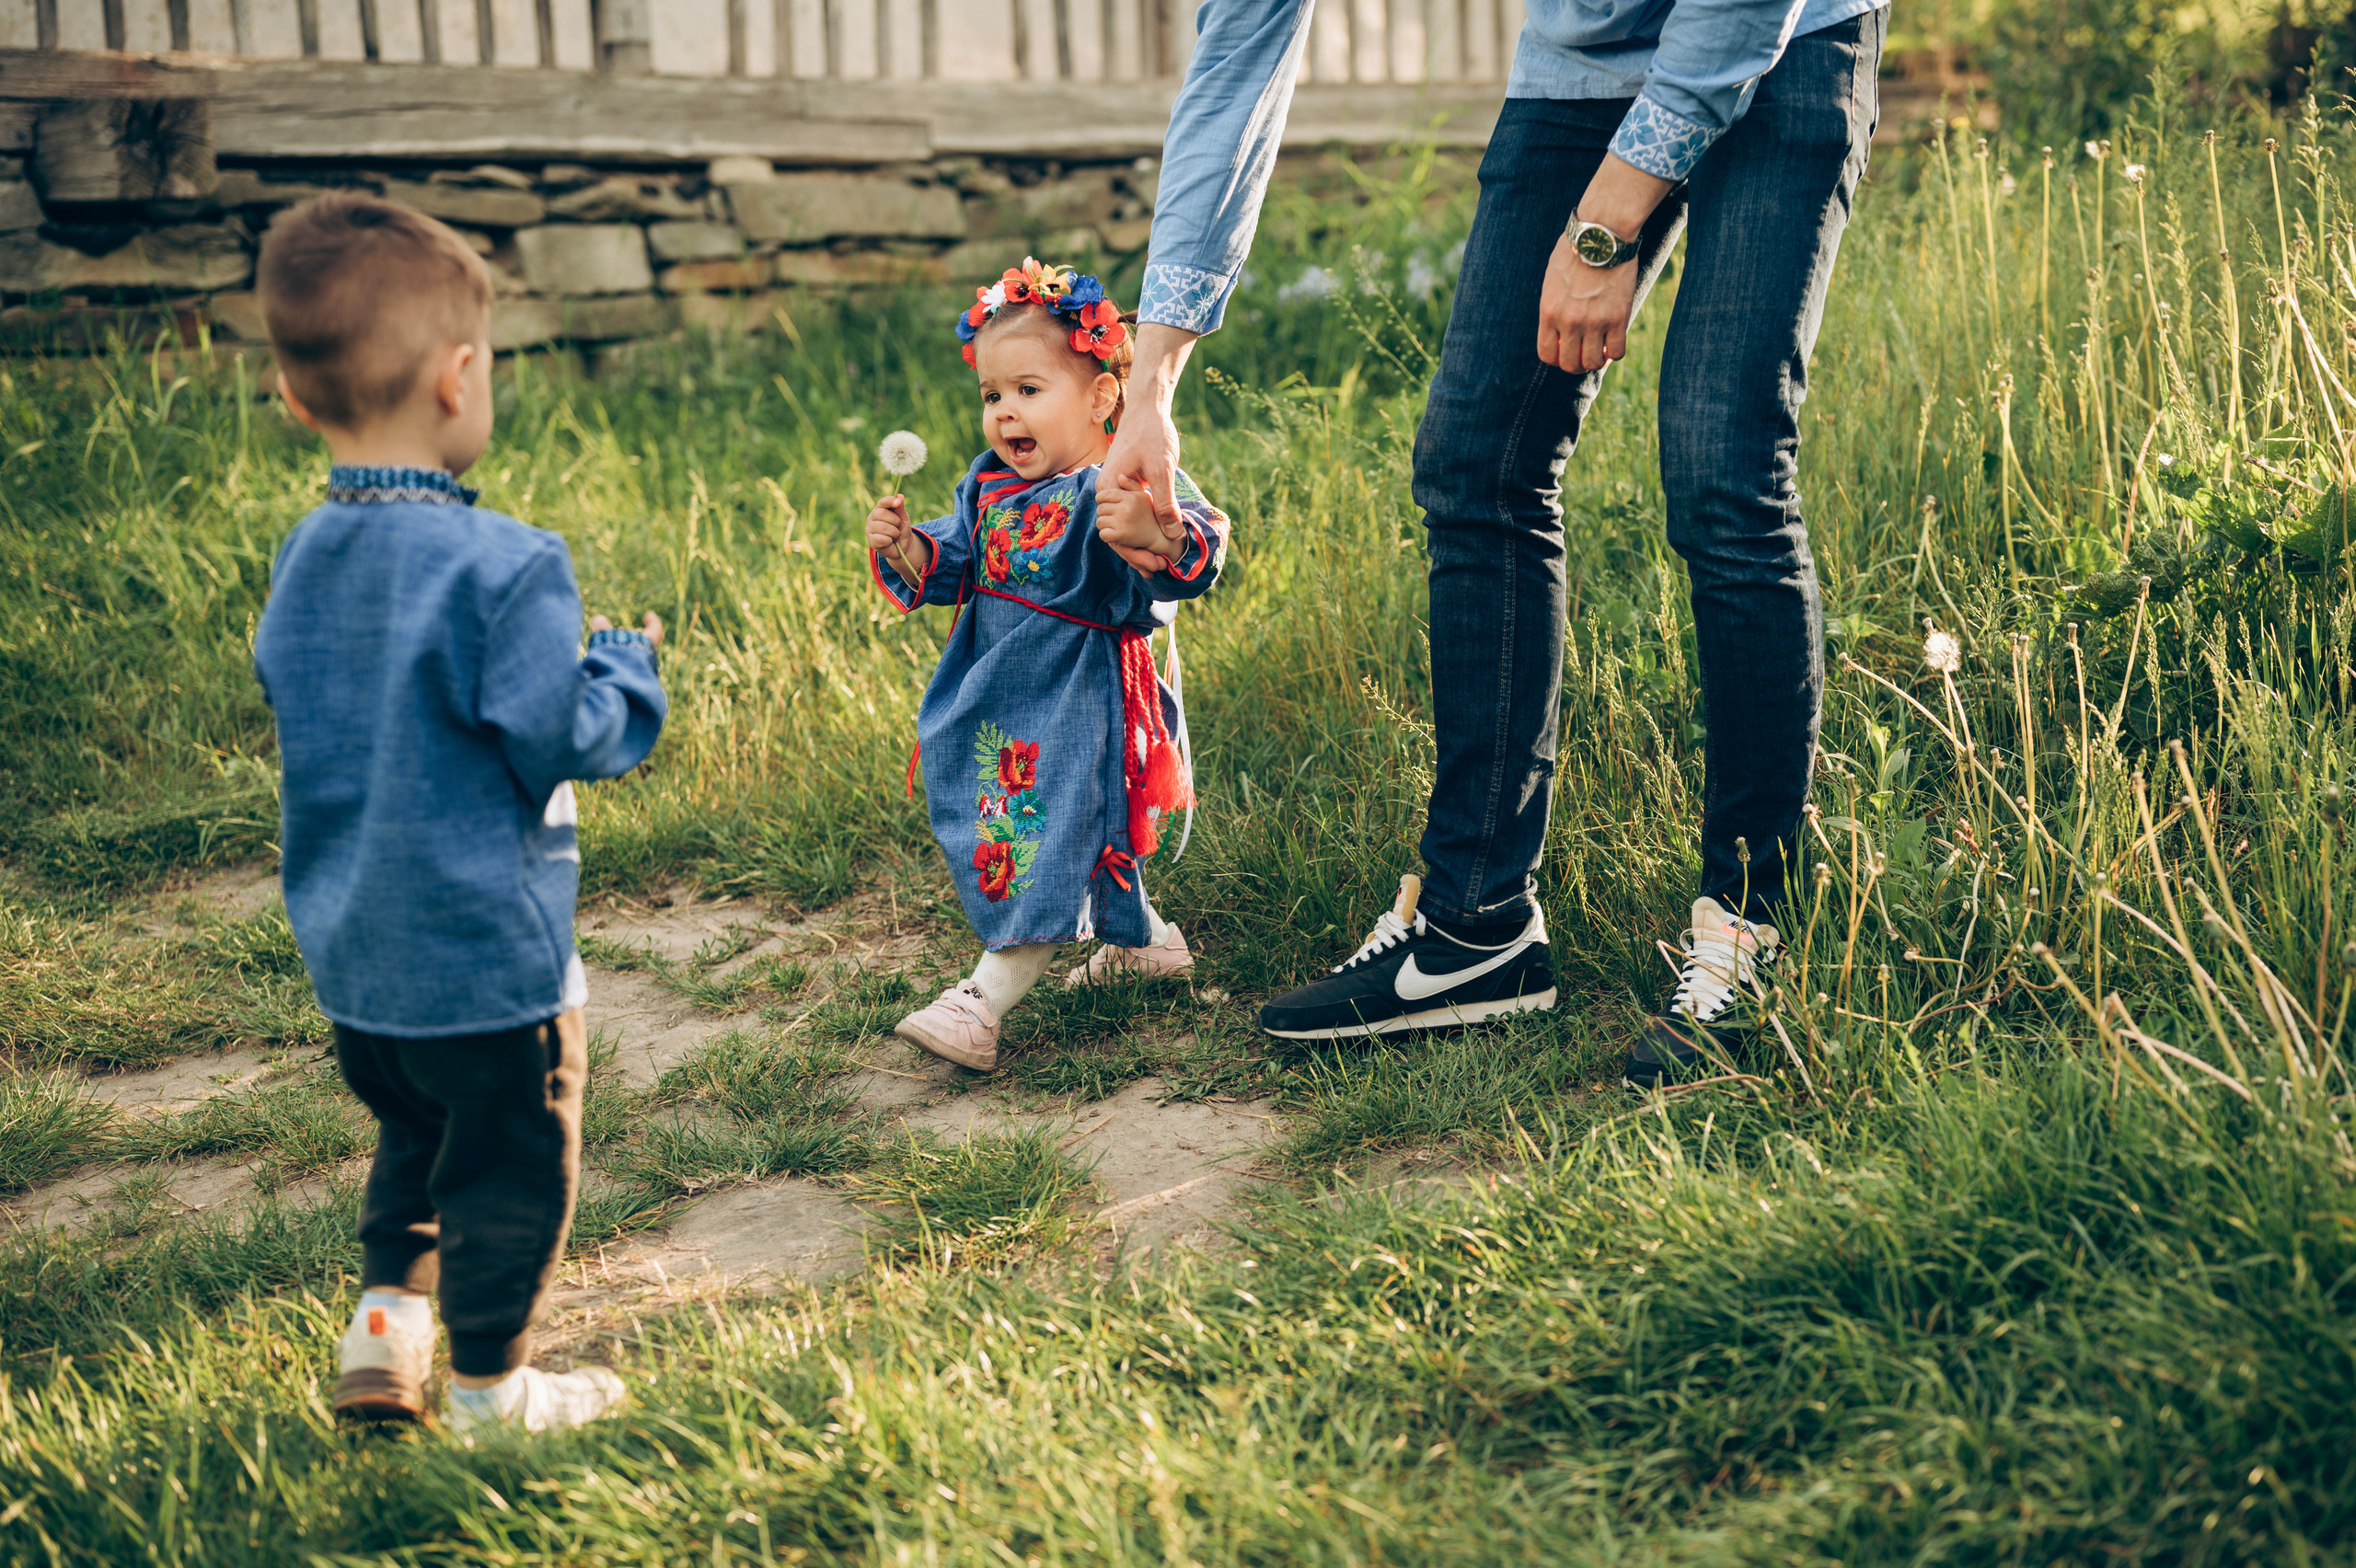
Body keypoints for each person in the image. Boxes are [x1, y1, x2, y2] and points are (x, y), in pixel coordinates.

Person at [1103, 0, 1886, 1078]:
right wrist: (1149, 385)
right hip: (1580, 68)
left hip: (1787, 39)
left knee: (1721, 471)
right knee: (1477, 468)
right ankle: (1476, 929)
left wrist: (1605, 223)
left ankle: (1749, 931)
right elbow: (1237, 59)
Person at [250, 193, 667, 1431]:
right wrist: (624, 666)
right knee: (507, 1167)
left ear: (292, 394)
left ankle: (385, 1332)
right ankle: (493, 1385)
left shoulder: (304, 556)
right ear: (458, 377)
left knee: (416, 1138)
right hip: (488, 964)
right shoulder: (507, 566)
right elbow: (566, 733)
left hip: (356, 958)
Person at [868, 257, 1231, 1074]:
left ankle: (985, 998)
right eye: (992, 396)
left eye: (1029, 391)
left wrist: (1157, 529)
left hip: (1079, 703)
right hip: (998, 696)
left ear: (1104, 397)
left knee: (1037, 829)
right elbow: (958, 561)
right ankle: (1148, 943)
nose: (1004, 415)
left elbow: (1196, 552)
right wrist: (913, 547)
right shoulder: (989, 488)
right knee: (1041, 822)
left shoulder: (1119, 482)